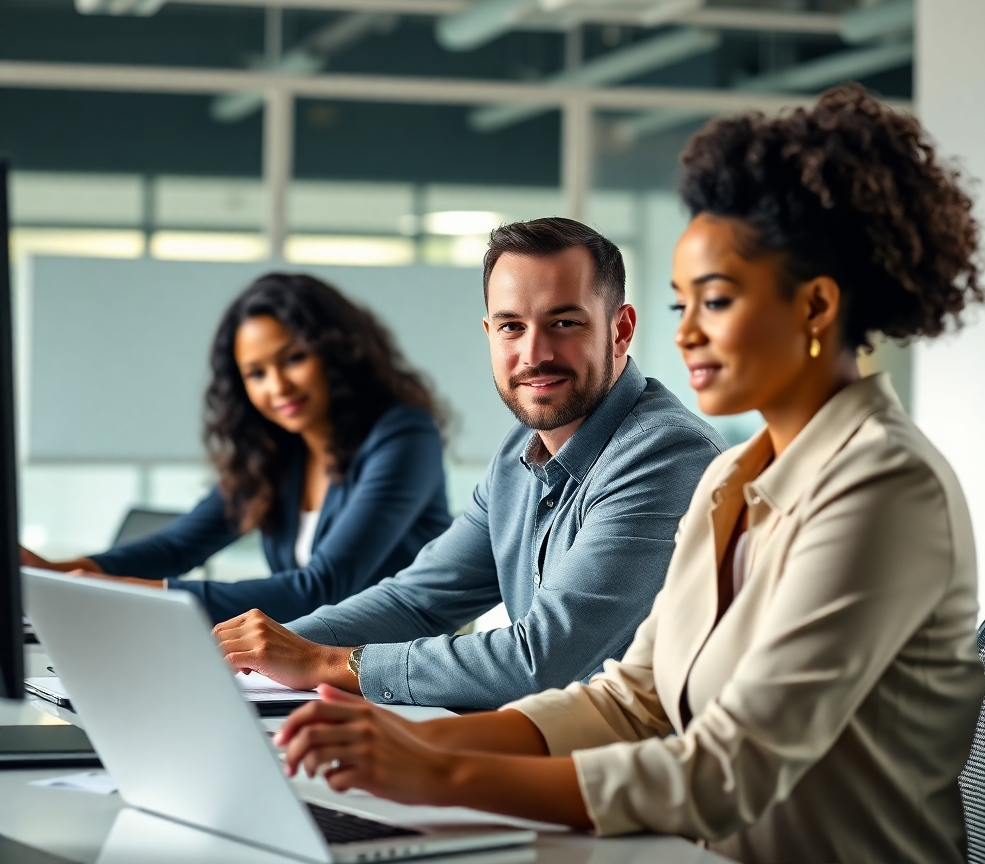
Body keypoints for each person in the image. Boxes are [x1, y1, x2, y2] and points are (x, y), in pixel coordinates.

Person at [269, 85, 985, 864]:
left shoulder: (885, 487)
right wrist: (412, 746)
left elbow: (727, 771)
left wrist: (441, 776)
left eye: (717, 301)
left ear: (816, 306)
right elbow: (634, 699)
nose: (685, 333)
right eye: (684, 304)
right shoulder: (734, 476)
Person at [214, 218, 726, 710]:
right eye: (511, 326)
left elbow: (541, 662)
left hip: (642, 765)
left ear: (620, 329)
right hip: (547, 747)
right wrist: (251, 656)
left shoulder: (665, 457)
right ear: (490, 333)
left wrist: (324, 662)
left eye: (564, 323)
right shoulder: (518, 453)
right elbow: (416, 602)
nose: (534, 353)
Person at [21, 273, 452, 625]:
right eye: (256, 373)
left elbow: (323, 586)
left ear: (337, 353)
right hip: (305, 662)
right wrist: (59, 573)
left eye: (294, 359)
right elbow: (180, 546)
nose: (277, 386)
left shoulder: (404, 435)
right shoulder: (277, 451)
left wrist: (128, 594)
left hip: (389, 669)